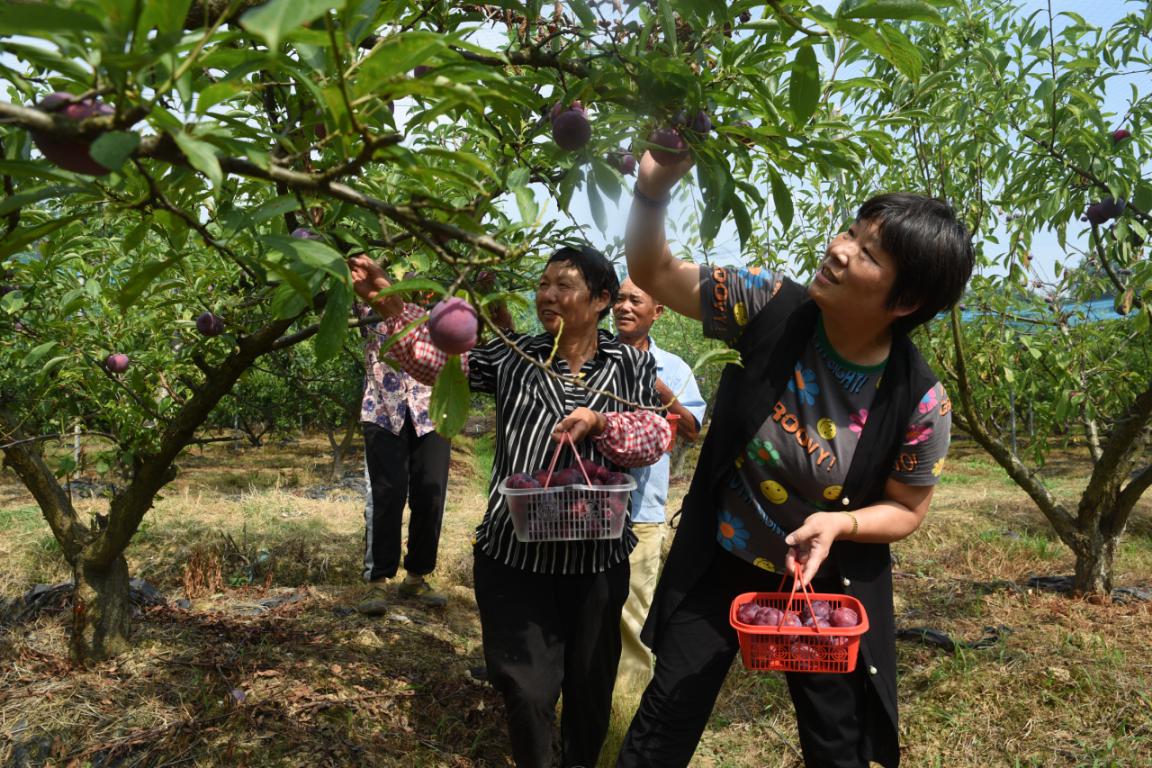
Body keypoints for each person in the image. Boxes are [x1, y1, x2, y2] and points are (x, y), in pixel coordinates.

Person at [614, 151, 974, 768]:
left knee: (839, 744)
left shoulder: (919, 400)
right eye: (851, 232)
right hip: (725, 555)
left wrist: (842, 523)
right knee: (665, 719)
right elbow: (655, 269)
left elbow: (907, 507)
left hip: (824, 582)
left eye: (869, 253)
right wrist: (652, 191)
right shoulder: (768, 305)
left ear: (905, 300)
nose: (839, 250)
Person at [350, 244, 671, 768]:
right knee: (526, 689)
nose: (547, 295)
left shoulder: (631, 364)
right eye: (543, 284)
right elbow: (436, 361)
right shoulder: (513, 356)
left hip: (598, 559)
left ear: (601, 300)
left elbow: (654, 433)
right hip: (516, 554)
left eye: (563, 285)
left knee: (589, 694)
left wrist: (602, 422)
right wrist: (389, 302)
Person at [611, 277, 706, 689]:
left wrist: (657, 387)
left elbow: (691, 429)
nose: (624, 307)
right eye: (618, 299)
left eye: (636, 300)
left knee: (634, 608)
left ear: (658, 311)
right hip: (585, 507)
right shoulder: (593, 356)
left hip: (642, 509)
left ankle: (627, 700)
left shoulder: (675, 368)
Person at [358, 307, 451, 608]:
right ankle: (377, 581)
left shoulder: (440, 285)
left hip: (432, 406)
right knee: (387, 493)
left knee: (431, 493)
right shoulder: (372, 283)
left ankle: (416, 577)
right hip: (383, 406)